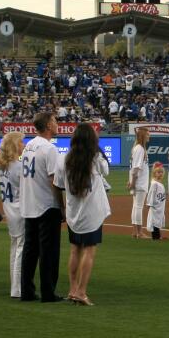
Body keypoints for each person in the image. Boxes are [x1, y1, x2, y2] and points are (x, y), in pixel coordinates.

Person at [54, 123, 111, 306]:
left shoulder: (64, 159)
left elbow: (57, 184)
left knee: (75, 249)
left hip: (73, 212)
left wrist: (61, 207)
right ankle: (81, 291)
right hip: (92, 212)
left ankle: (72, 289)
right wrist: (97, 147)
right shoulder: (95, 158)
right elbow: (106, 169)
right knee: (89, 250)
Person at [20, 112, 64, 303]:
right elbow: (54, 180)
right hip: (46, 204)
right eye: (54, 121)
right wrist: (62, 206)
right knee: (49, 252)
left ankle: (26, 290)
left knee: (30, 250)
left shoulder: (29, 146)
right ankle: (48, 291)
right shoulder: (49, 148)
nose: (57, 124)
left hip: (29, 203)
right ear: (47, 125)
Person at [0, 131, 25, 298]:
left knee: (14, 247)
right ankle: (17, 288)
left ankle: (15, 286)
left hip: (9, 209)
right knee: (21, 248)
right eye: (21, 142)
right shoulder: (18, 166)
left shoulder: (3, 166)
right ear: (14, 145)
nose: (23, 145)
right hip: (20, 210)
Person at [128, 128, 150, 239]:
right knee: (138, 207)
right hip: (140, 182)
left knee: (135, 206)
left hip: (137, 181)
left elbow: (133, 168)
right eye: (147, 134)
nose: (149, 136)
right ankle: (139, 232)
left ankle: (134, 231)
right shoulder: (140, 149)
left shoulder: (137, 148)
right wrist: (133, 182)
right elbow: (136, 168)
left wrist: (131, 181)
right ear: (142, 136)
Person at [145, 162, 167, 241]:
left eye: (161, 172)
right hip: (155, 206)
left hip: (160, 206)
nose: (160, 174)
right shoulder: (154, 184)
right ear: (154, 173)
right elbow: (151, 194)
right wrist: (149, 204)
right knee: (154, 221)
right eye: (158, 172)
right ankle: (155, 237)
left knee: (158, 220)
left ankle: (158, 236)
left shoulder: (159, 183)